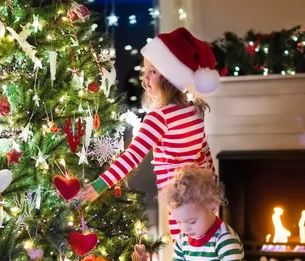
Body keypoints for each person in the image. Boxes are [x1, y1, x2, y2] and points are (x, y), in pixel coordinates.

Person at [78, 27, 220, 240]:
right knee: (204, 250)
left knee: (184, 252)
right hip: (204, 199)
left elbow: (132, 156)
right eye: (145, 70)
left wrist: (98, 186)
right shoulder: (195, 108)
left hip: (179, 200)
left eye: (153, 71)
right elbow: (205, 153)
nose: (145, 78)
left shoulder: (159, 117)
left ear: (170, 77)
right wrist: (213, 189)